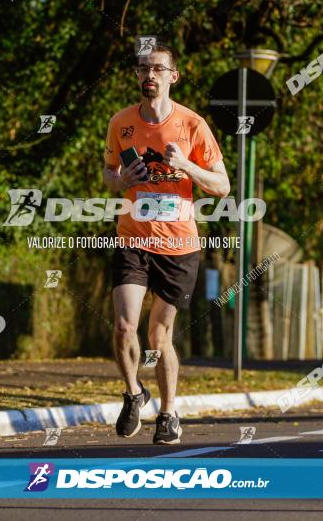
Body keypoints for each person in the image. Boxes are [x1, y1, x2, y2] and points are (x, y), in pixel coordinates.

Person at [102, 43, 230, 444]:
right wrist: (122, 180)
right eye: (143, 68)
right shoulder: (120, 122)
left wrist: (186, 165)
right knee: (125, 326)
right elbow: (108, 172)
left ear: (173, 76)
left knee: (159, 337)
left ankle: (169, 413)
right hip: (133, 239)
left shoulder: (193, 125)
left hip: (178, 246)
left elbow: (223, 187)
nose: (148, 75)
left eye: (157, 68)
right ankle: (133, 393)